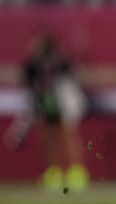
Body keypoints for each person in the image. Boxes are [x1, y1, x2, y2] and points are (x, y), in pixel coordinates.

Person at [5, 32, 89, 192]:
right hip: (44, 102)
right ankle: (54, 172)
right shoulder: (32, 64)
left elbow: (69, 80)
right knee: (48, 138)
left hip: (61, 101)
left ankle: (76, 172)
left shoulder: (59, 61)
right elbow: (25, 81)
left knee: (67, 135)